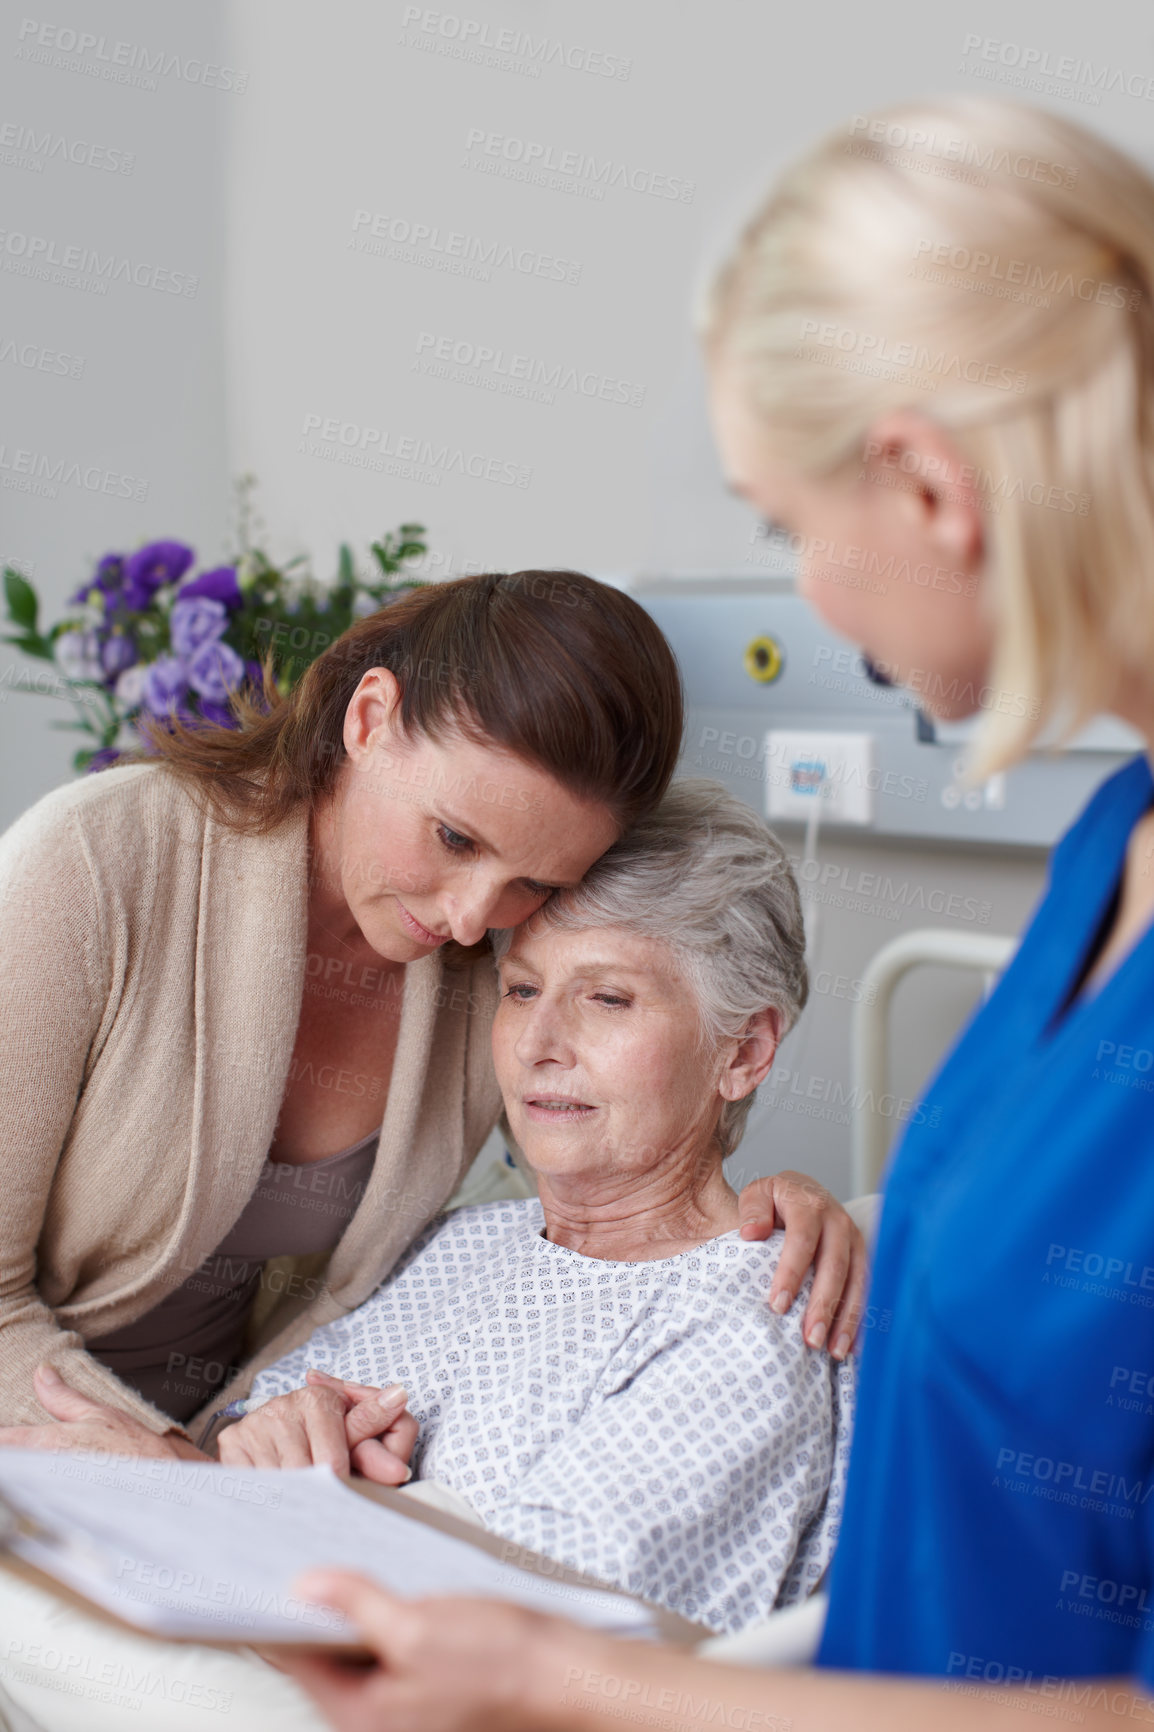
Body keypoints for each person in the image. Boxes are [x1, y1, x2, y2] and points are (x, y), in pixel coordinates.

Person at [266, 95, 1154, 1732]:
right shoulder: (1108, 850)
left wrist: (556, 1675)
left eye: (781, 523)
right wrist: (872, 1234)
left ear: (923, 484)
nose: (802, 588)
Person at [0, 780, 853, 1729]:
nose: (539, 1042)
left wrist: (238, 1503)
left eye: (607, 998)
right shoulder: (462, 1241)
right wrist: (272, 1439)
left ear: (744, 1051)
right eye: (522, 988)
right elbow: (243, 1438)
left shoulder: (749, 1317)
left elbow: (554, 1658)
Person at [0, 566, 862, 1450]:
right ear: (368, 719)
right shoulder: (95, 866)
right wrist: (169, 1471)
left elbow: (612, 1140)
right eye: (454, 838)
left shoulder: (494, 957)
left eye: (531, 881)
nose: (466, 918)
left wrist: (770, 1209)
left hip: (228, 1454)